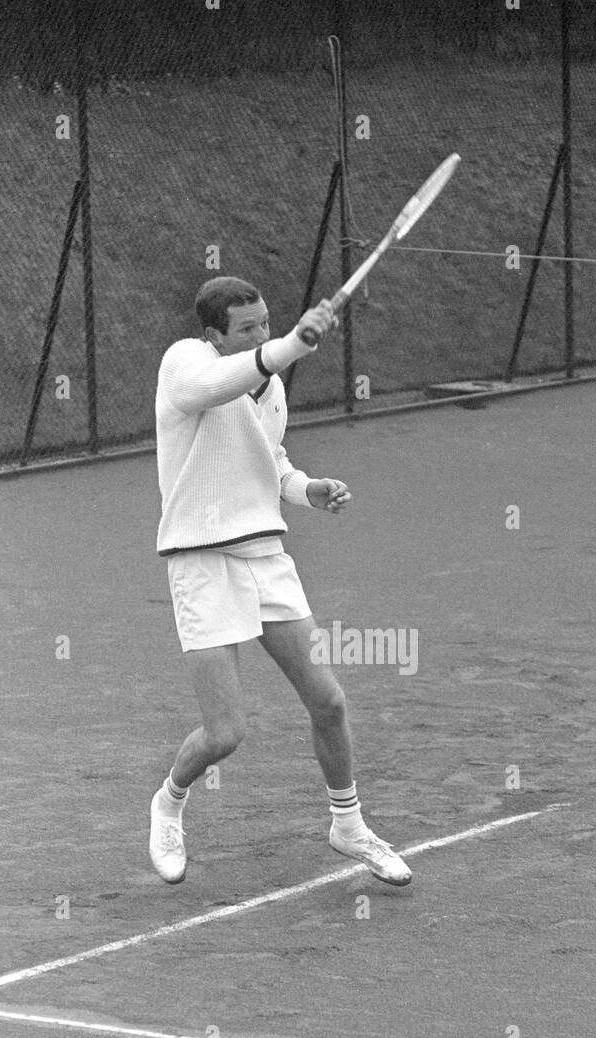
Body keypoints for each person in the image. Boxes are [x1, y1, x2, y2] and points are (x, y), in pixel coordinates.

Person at [149, 275, 412, 890]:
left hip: (266, 556)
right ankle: (168, 803)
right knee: (225, 734)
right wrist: (291, 344)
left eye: (267, 323)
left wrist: (306, 490)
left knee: (329, 700)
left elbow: (273, 460)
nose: (262, 334)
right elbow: (218, 386)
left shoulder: (270, 390)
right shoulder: (184, 362)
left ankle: (347, 824)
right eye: (248, 329)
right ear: (214, 334)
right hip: (201, 562)